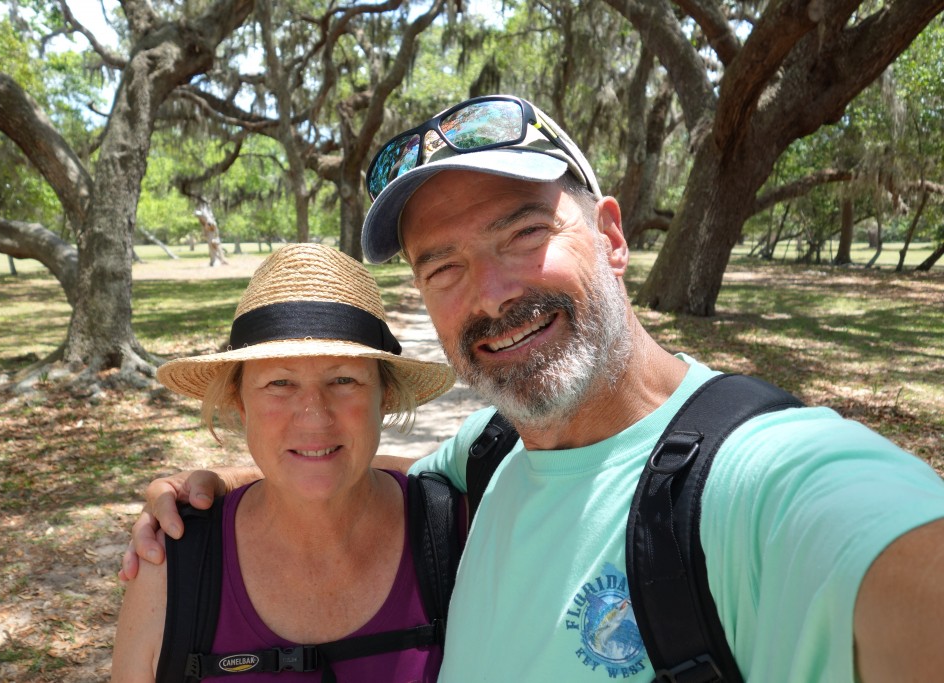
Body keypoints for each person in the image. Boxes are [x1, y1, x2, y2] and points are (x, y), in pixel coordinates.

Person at [124, 95, 944, 682]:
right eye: (442, 265)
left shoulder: (761, 481)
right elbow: (341, 459)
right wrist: (220, 487)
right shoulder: (488, 459)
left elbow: (890, 551)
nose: (488, 292)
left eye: (523, 231)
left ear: (612, 236)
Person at [111, 243, 458, 682]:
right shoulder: (172, 564)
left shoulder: (457, 530)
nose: (313, 414)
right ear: (239, 403)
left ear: (384, 396)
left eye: (343, 379)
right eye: (279, 383)